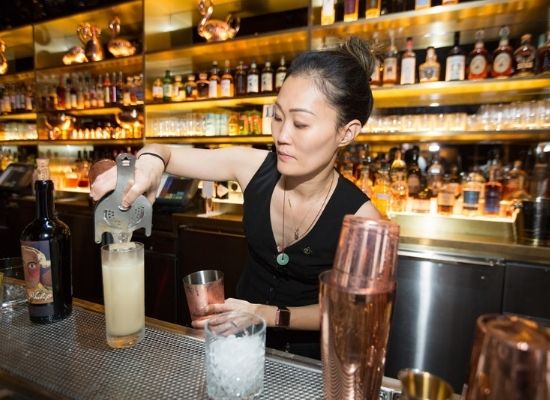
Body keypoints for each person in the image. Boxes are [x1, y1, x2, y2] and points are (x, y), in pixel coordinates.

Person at [90, 36, 380, 359]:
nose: (282, 136)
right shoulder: (253, 167)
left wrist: (263, 313)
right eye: (278, 116)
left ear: (347, 132)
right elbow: (165, 152)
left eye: (300, 123)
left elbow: (352, 312)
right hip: (238, 348)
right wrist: (149, 164)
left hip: (310, 365)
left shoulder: (363, 221)